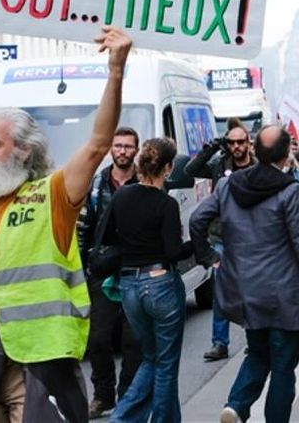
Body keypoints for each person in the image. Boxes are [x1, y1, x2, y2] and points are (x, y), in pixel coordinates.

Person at [0, 26, 132, 422]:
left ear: (23, 151)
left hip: (38, 366)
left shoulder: (50, 197)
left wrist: (116, 71)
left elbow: (96, 145)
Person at [189, 125, 299, 423]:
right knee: (283, 367)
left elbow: (198, 218)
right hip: (284, 294)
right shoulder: (290, 191)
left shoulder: (229, 186)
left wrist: (209, 257)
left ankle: (236, 405)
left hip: (246, 289)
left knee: (257, 353)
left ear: (255, 149)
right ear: (286, 154)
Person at [101, 137, 192, 423]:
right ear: (167, 168)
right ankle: (134, 418)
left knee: (151, 358)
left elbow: (105, 237)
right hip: (161, 283)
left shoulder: (121, 196)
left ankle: (123, 418)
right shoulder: (165, 204)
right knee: (165, 364)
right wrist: (198, 244)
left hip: (129, 286)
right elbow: (173, 252)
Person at [79, 126, 142, 418]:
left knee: (133, 339)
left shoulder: (145, 182)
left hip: (135, 269)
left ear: (136, 150)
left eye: (128, 146)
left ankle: (127, 395)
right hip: (102, 269)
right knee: (98, 338)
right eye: (118, 146)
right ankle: (103, 395)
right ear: (110, 149)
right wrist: (85, 263)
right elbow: (85, 227)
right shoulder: (96, 184)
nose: (123, 151)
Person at [185, 121, 255, 363]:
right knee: (221, 293)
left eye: (240, 142)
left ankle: (253, 339)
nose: (236, 147)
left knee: (249, 291)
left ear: (248, 143)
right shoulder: (218, 165)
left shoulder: (258, 168)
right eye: (232, 143)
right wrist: (210, 148)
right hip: (221, 237)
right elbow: (190, 170)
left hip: (249, 238)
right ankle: (219, 343)